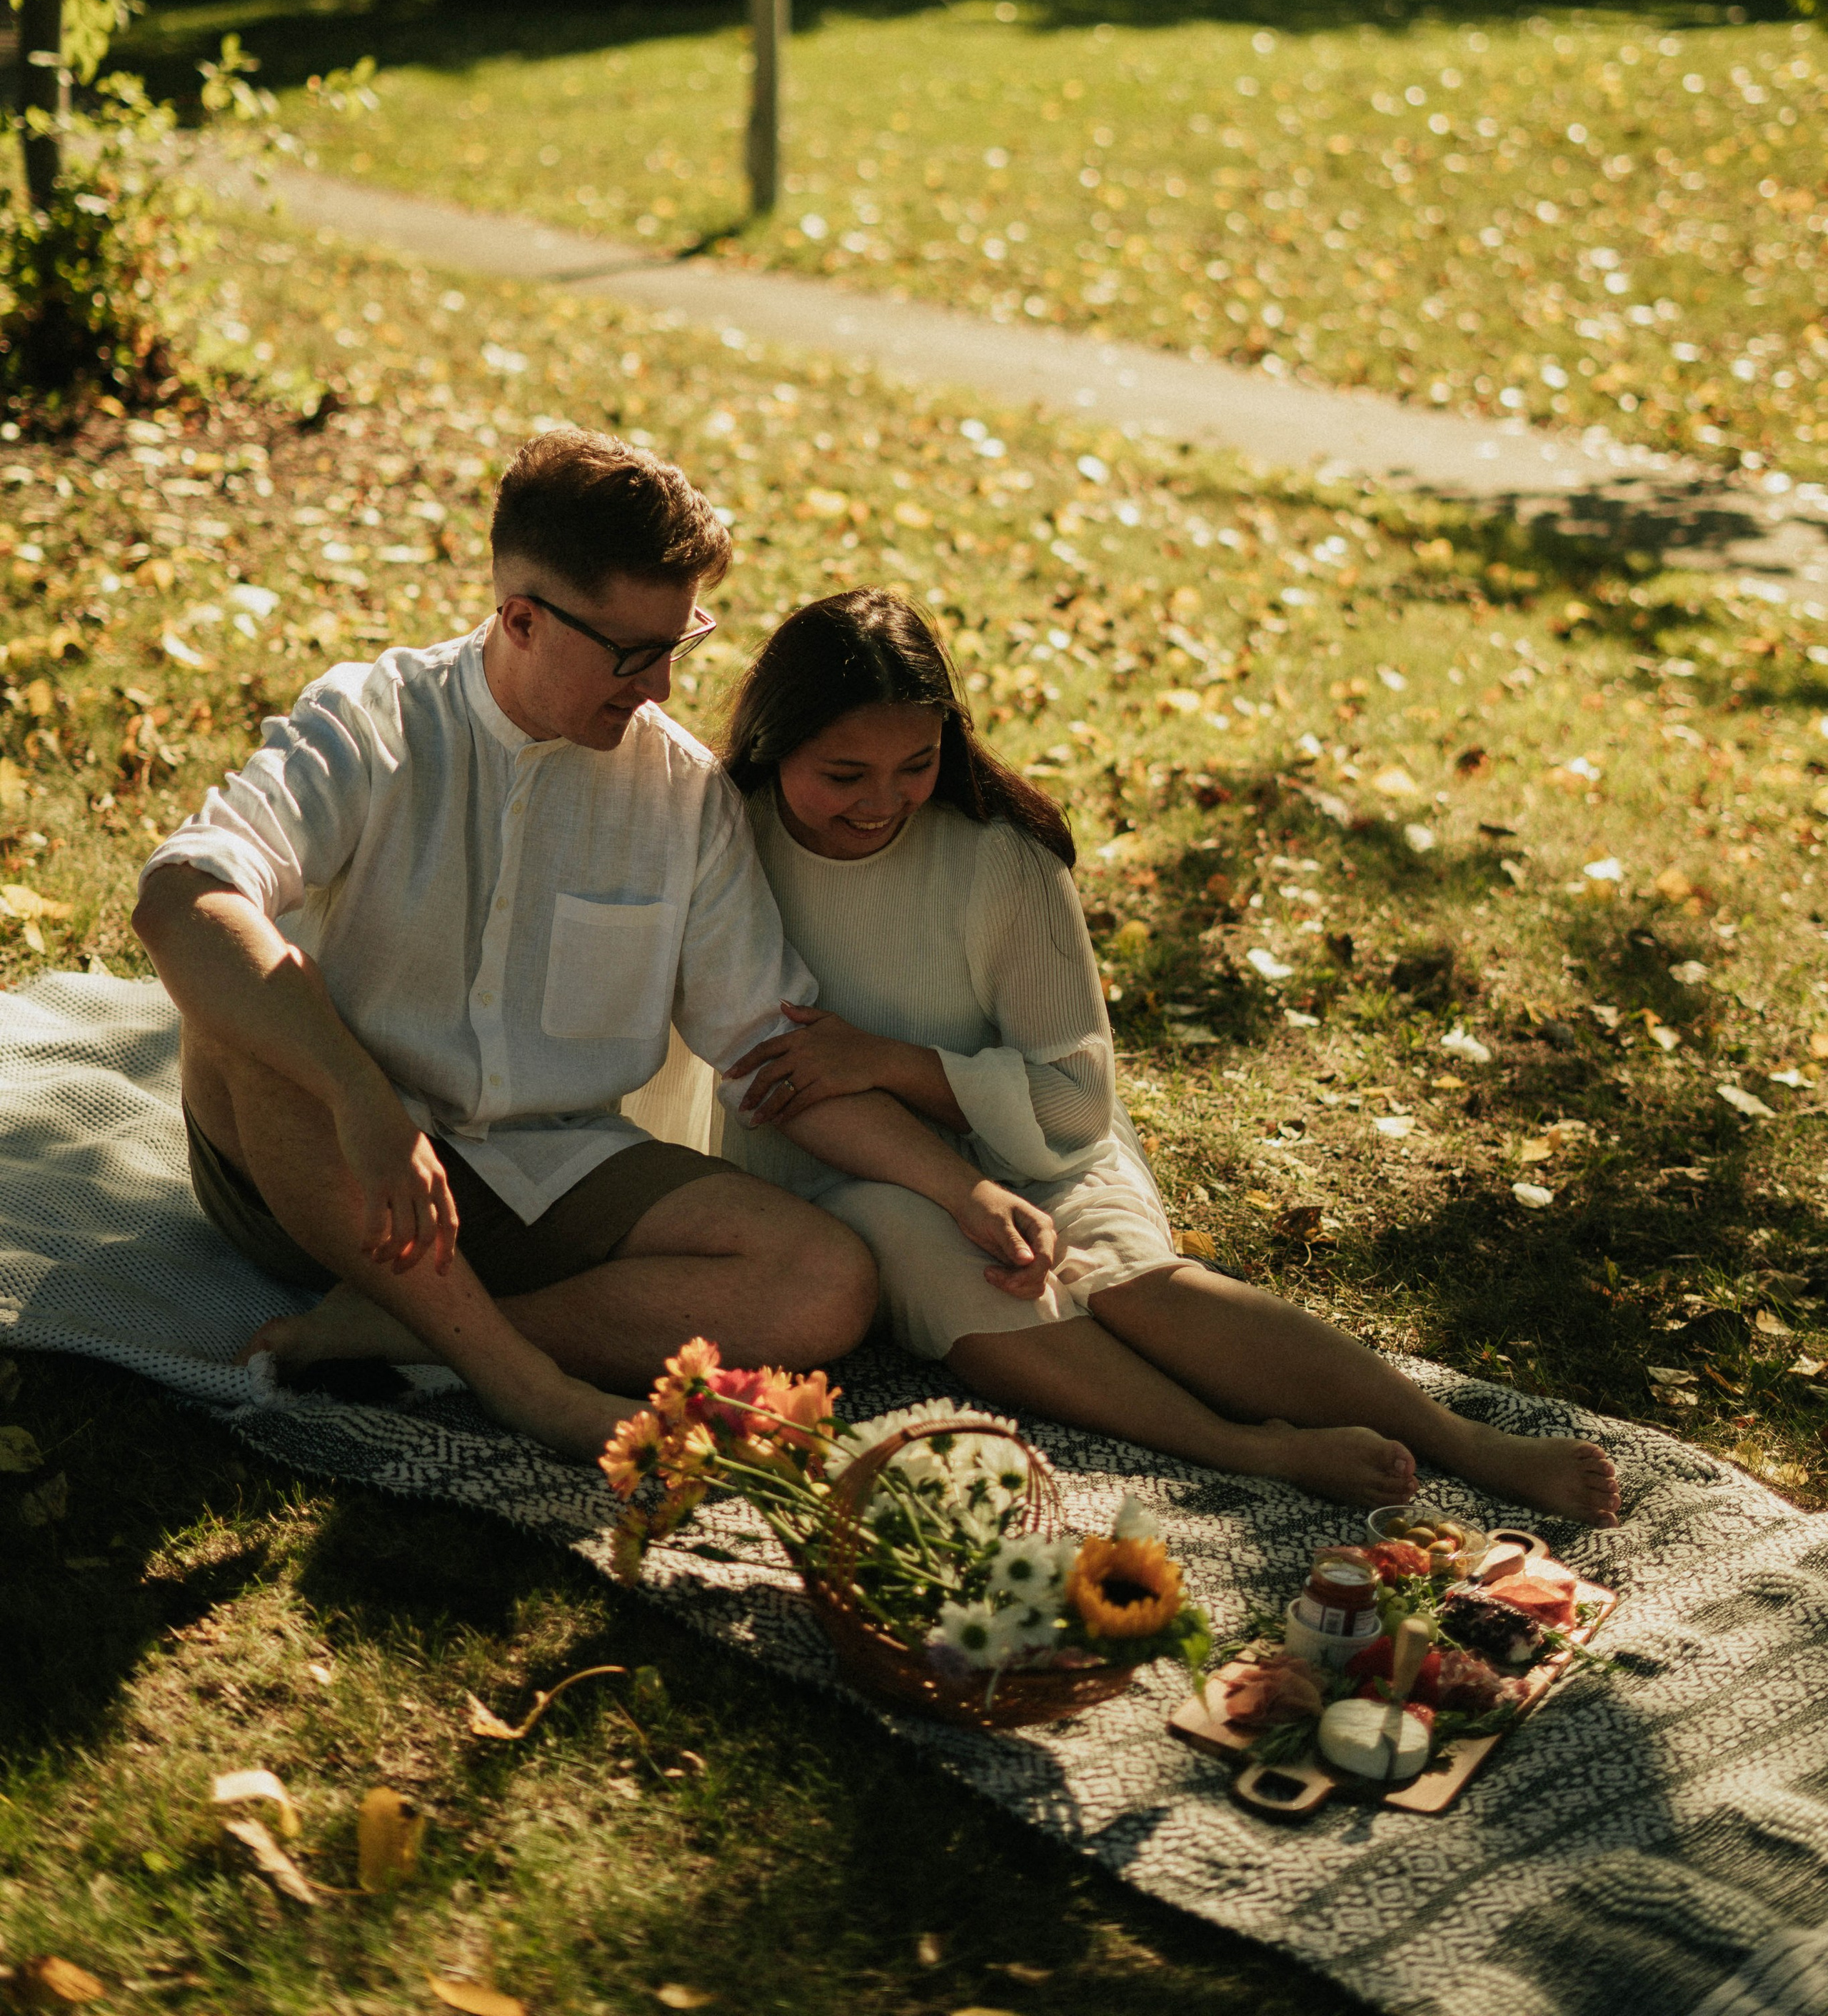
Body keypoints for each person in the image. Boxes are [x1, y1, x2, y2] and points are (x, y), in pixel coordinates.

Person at [716, 589, 1620, 1524]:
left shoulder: (1001, 859)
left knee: (1125, 1282)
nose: (881, 802)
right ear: (775, 742)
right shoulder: (728, 844)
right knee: (935, 1256)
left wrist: (892, 1062)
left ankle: (1465, 1441)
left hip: (1029, 1137)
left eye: (916, 764)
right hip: (830, 1168)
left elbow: (1074, 1104)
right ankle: (1247, 1449)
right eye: (842, 773)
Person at [132, 430, 895, 1462]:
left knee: (828, 1283)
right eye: (634, 654)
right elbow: (180, 898)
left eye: (683, 641)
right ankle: (521, 1383)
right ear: (522, 620)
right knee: (252, 1001)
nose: (664, 686)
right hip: (324, 1164)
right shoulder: (375, 720)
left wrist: (962, 1191)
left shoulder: (682, 796)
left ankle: (409, 1331)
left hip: (547, 1167)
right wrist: (365, 1106)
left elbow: (771, 1049)